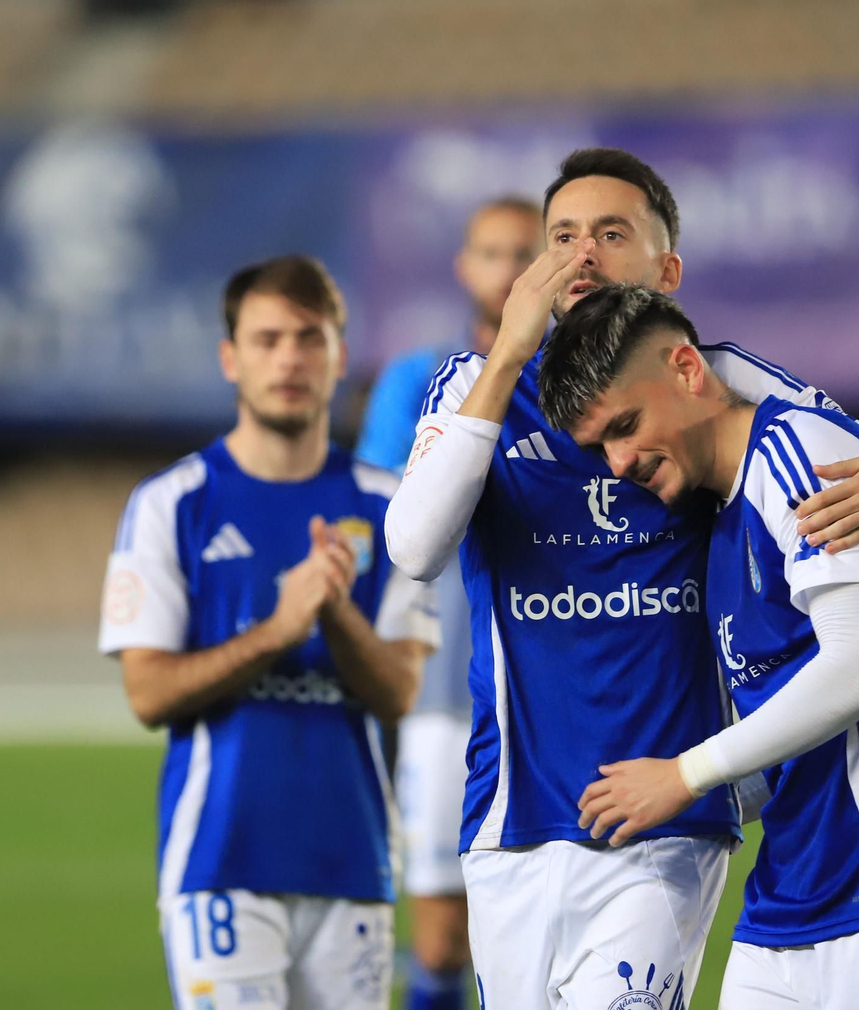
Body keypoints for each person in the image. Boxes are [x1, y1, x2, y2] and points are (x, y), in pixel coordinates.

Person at [385, 148, 859, 1010]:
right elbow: (413, 547)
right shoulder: (478, 387)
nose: (580, 256)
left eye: (610, 234)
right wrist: (510, 351)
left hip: (665, 823)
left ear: (666, 270)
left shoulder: (712, 379)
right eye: (561, 237)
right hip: (509, 820)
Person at [539, 284, 859, 1010]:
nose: (619, 462)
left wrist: (686, 773)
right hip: (792, 901)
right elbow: (794, 740)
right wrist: (680, 801)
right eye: (601, 444)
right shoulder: (728, 522)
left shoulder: (798, 450)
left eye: (627, 424)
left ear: (685, 368)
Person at [100, 255, 439, 1010]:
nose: (289, 358)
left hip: (354, 865)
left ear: (340, 355)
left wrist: (335, 613)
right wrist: (277, 631)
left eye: (310, 338)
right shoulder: (173, 504)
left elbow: (400, 692)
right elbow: (148, 692)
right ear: (231, 358)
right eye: (267, 339)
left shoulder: (392, 509)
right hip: (219, 862)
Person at [356, 196, 541, 1010]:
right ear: (465, 266)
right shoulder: (417, 381)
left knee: (530, 930)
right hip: (441, 688)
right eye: (491, 252)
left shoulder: (579, 382)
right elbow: (391, 517)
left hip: (541, 688)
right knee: (439, 932)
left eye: (523, 253)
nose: (506, 269)